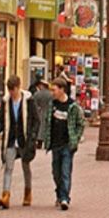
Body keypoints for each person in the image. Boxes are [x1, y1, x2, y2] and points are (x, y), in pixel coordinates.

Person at [0, 75, 39, 209]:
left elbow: (36, 120)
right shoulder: (6, 101)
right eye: (10, 90)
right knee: (8, 167)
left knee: (26, 167)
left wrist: (33, 137)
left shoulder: (29, 100)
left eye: (14, 90)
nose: (12, 93)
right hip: (11, 139)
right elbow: (1, 120)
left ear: (19, 87)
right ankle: (5, 196)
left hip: (25, 139)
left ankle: (27, 193)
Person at [39, 77, 84, 210]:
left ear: (62, 90)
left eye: (54, 89)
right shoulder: (52, 105)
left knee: (65, 171)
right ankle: (59, 194)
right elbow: (48, 123)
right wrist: (45, 139)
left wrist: (75, 138)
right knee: (56, 172)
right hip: (55, 144)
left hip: (67, 144)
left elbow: (81, 124)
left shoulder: (73, 106)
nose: (52, 92)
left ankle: (65, 198)